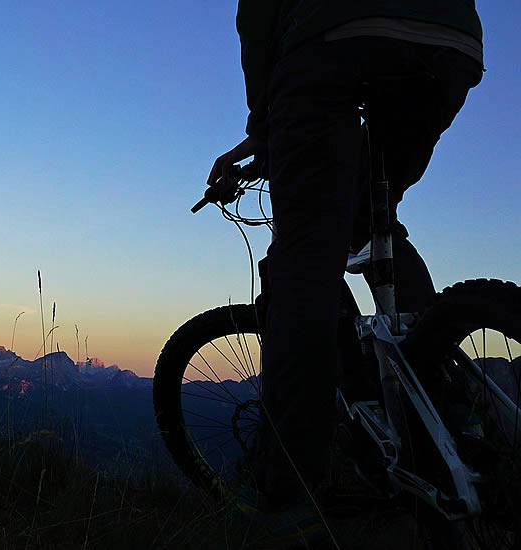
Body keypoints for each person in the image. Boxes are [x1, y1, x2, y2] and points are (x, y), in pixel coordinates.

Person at [206, 0, 484, 542]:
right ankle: (447, 402)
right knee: (370, 220)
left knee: (304, 259)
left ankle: (287, 496)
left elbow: (257, 12)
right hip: (450, 42)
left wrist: (263, 126)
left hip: (333, 36)